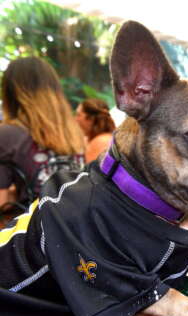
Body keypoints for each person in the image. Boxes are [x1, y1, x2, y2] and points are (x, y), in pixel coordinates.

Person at [0, 57, 85, 209]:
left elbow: (2, 202)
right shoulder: (74, 131)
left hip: (37, 226)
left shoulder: (8, 134)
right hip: (78, 222)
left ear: (10, 92)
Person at [75, 98, 115, 163]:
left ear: (90, 119)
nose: (75, 119)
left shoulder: (100, 142)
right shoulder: (106, 138)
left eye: (78, 115)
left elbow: (91, 172)